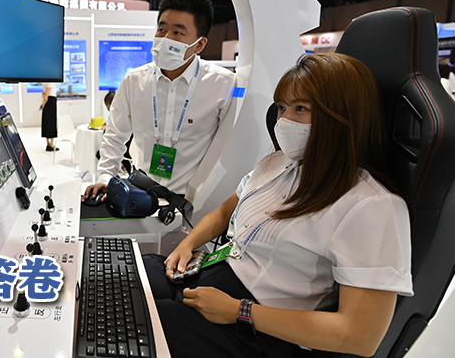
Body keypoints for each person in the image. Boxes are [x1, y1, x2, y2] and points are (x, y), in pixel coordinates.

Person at [144, 53, 413, 358]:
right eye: (282, 108)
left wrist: (238, 311)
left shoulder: (371, 206)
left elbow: (360, 336)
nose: (284, 121)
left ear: (342, 115)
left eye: (301, 108)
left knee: (138, 323)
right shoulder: (276, 163)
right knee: (133, 275)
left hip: (257, 330)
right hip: (212, 277)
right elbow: (225, 211)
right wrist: (187, 244)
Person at [84, 0, 236, 201]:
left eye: (178, 33)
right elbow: (115, 136)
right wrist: (106, 176)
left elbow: (227, 147)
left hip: (194, 199)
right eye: (162, 29)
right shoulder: (133, 80)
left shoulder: (223, 84)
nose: (165, 39)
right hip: (141, 192)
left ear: (199, 45)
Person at [41, 82, 58, 151]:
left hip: (48, 101)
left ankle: (48, 144)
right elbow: (47, 92)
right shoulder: (50, 81)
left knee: (46, 121)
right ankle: (51, 144)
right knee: (52, 121)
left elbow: (44, 94)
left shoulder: (44, 81)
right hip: (51, 100)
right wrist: (44, 102)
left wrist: (43, 103)